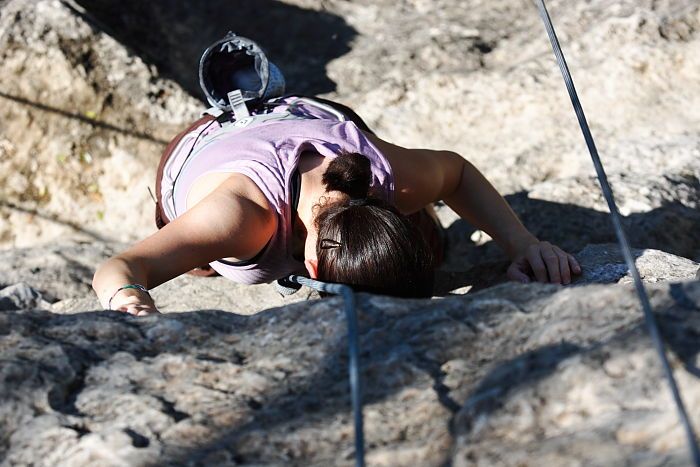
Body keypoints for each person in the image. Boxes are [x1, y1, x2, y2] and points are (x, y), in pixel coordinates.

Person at [92, 93, 581, 315]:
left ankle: (417, 235)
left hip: (316, 120)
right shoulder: (238, 218)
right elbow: (123, 266)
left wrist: (523, 243)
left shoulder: (389, 179)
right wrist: (128, 300)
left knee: (431, 252)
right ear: (309, 265)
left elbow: (455, 171)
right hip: (204, 147)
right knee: (205, 263)